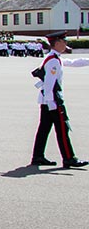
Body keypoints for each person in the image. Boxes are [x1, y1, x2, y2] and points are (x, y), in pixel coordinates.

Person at [30, 31, 89, 168]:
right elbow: (49, 84)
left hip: (47, 100)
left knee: (44, 129)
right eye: (64, 41)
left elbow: (73, 62)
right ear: (57, 43)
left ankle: (38, 156)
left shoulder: (54, 58)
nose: (66, 44)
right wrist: (52, 104)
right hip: (52, 101)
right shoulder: (53, 61)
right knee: (62, 129)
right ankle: (69, 158)